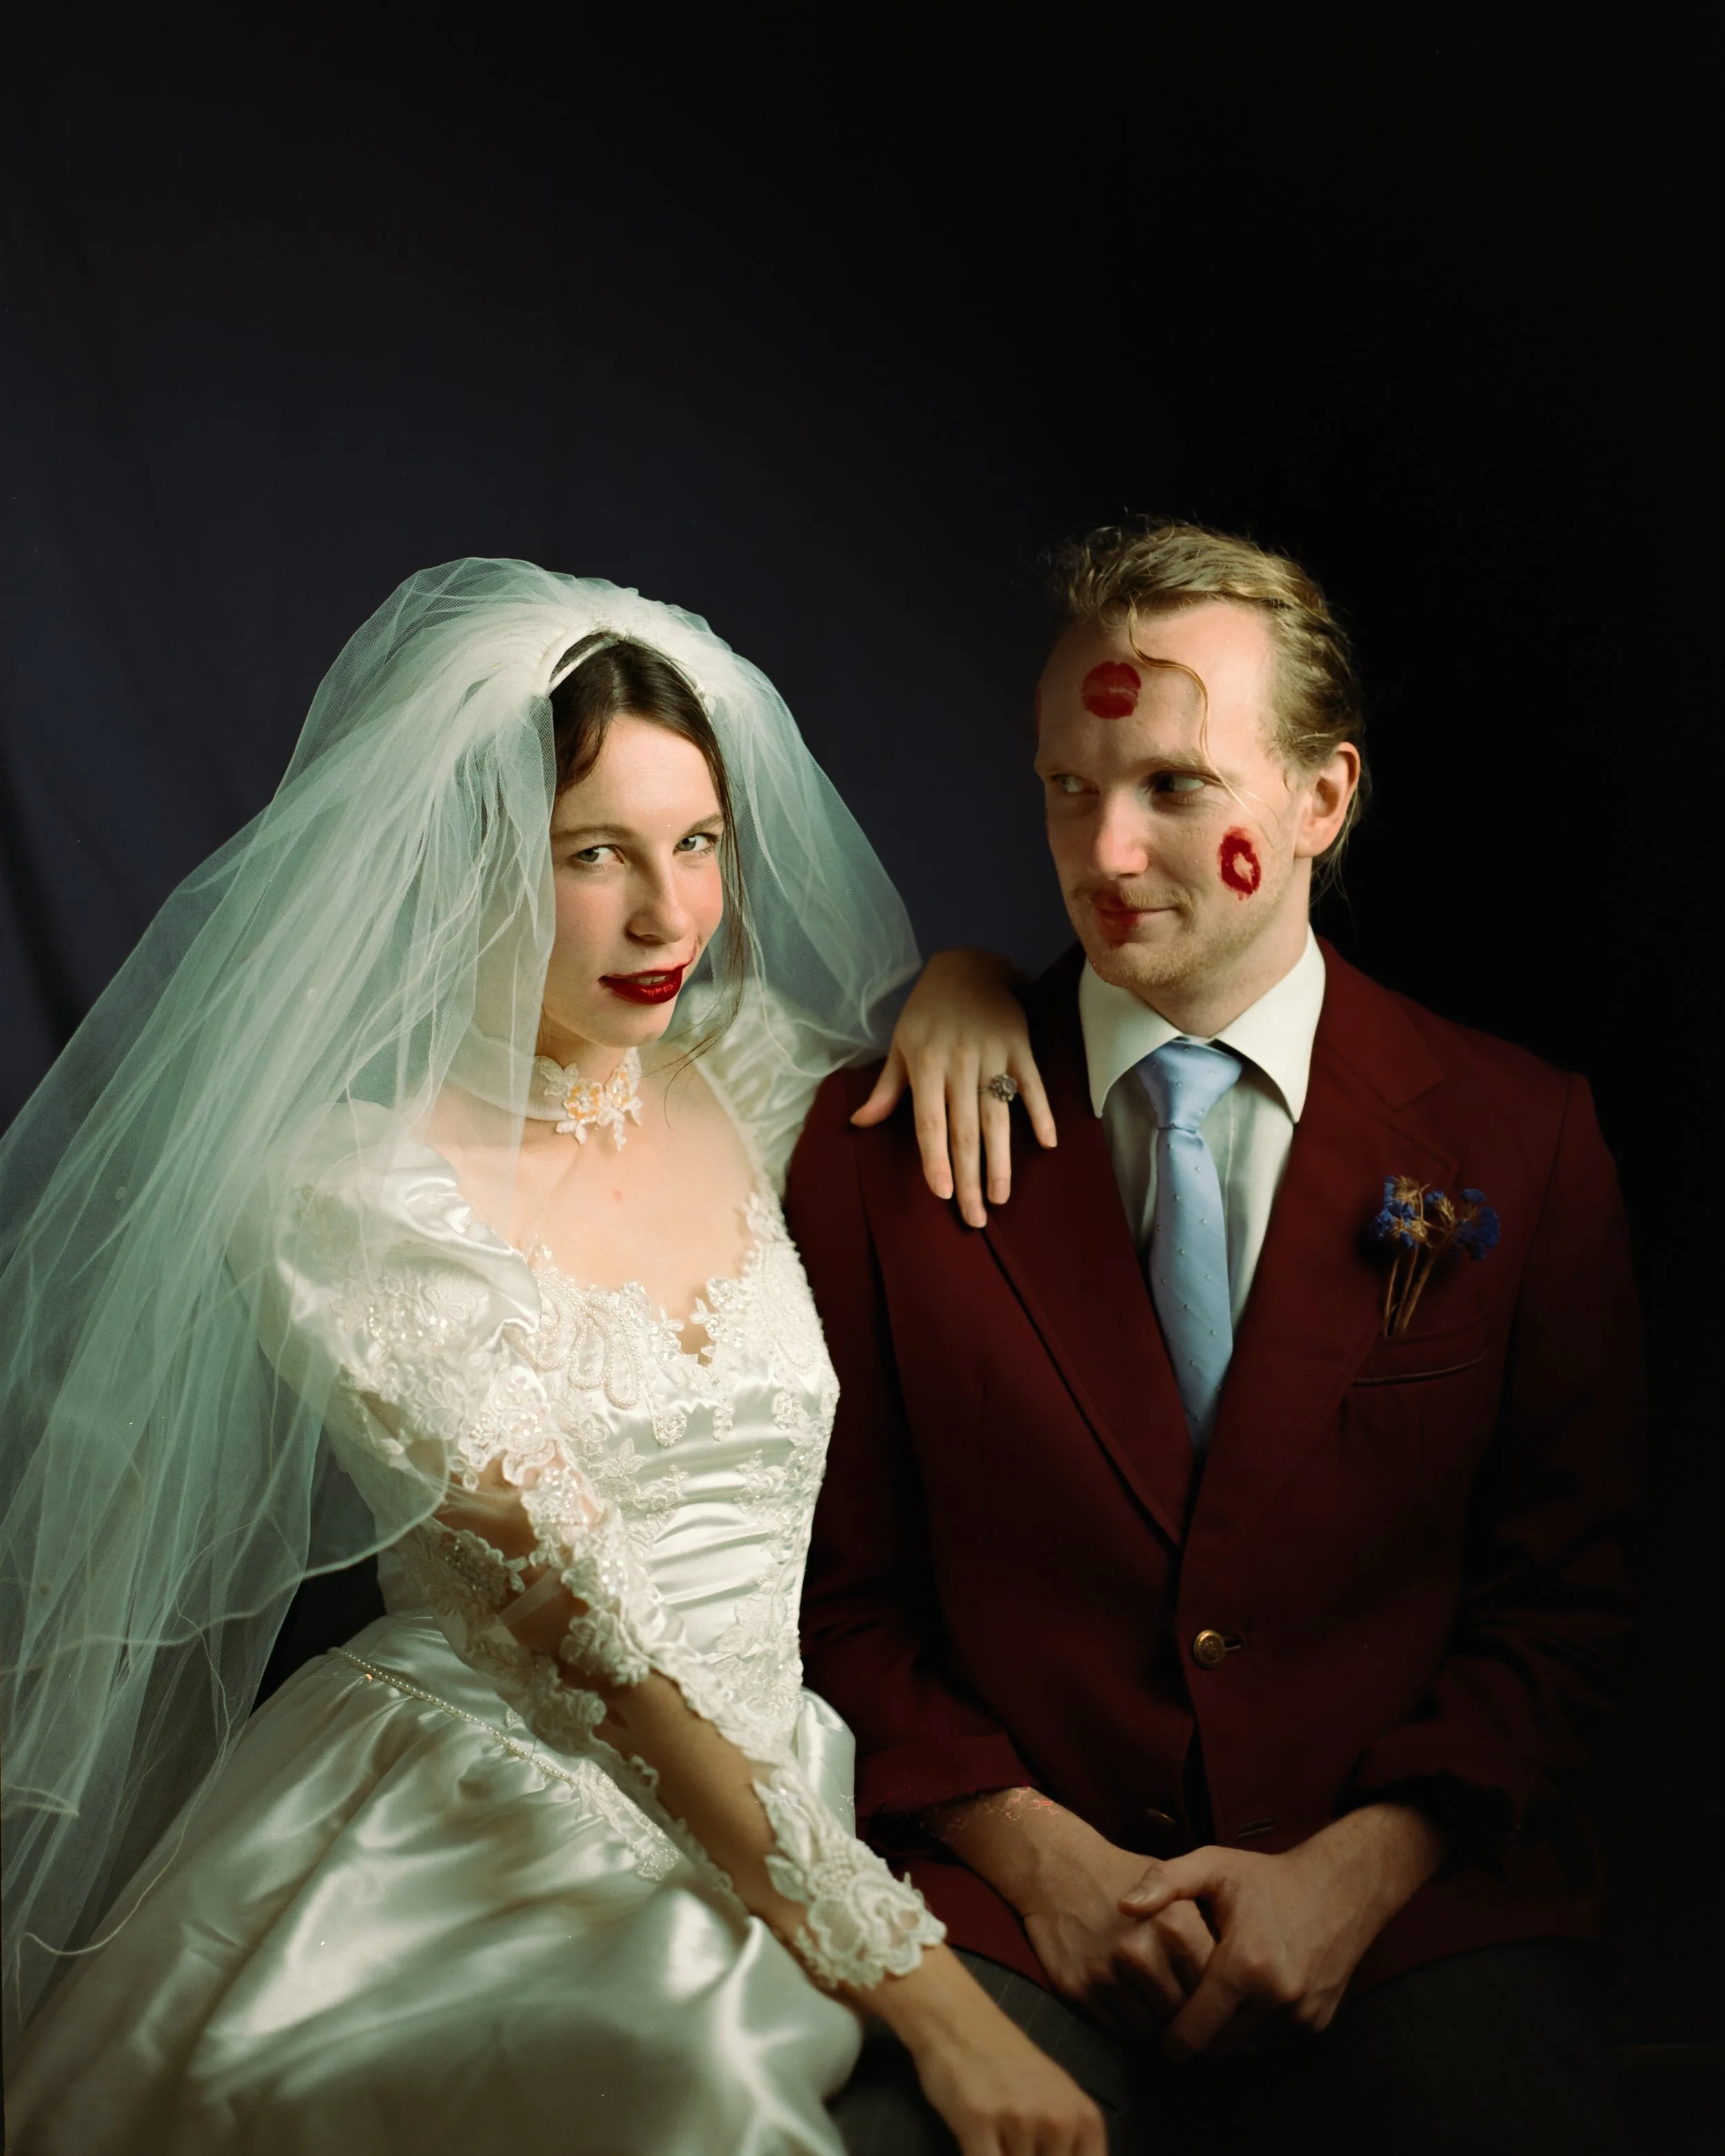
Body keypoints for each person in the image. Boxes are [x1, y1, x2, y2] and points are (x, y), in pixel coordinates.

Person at [1, 561, 1105, 2155]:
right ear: (473, 863)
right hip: (488, 1802)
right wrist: (924, 1995)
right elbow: (585, 1639)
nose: (671, 916)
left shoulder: (747, 1070)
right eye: (598, 856)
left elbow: (895, 1045)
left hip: (791, 1756)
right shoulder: (348, 1194)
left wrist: (965, 982)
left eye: (699, 844)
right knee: (680, 2094)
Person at [791, 520, 1640, 2155]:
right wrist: (1038, 1855)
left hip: (1412, 1893)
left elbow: (1567, 1593)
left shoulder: (1519, 1140)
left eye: (1172, 786)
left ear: (1320, 798)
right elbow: (836, 1598)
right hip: (1005, 1893)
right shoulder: (876, 1143)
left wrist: (1364, 1859)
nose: (1101, 853)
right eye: (1062, 785)